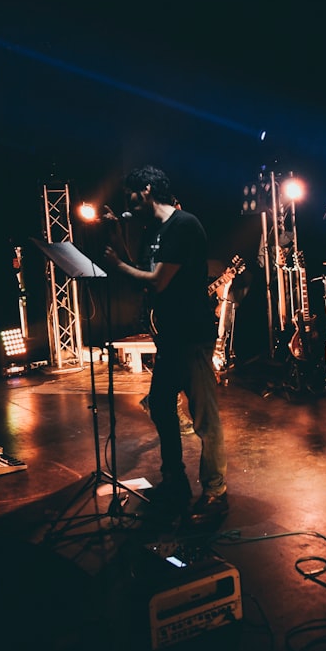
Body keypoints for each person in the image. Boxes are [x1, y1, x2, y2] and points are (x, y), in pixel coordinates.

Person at [103, 165, 228, 523]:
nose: (127, 201)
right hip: (171, 336)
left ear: (145, 190)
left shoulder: (184, 225)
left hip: (192, 336)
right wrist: (115, 240)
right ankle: (174, 478)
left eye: (129, 194)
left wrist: (115, 265)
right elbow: (139, 271)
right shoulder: (153, 230)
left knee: (205, 418)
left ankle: (216, 491)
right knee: (160, 405)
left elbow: (157, 281)